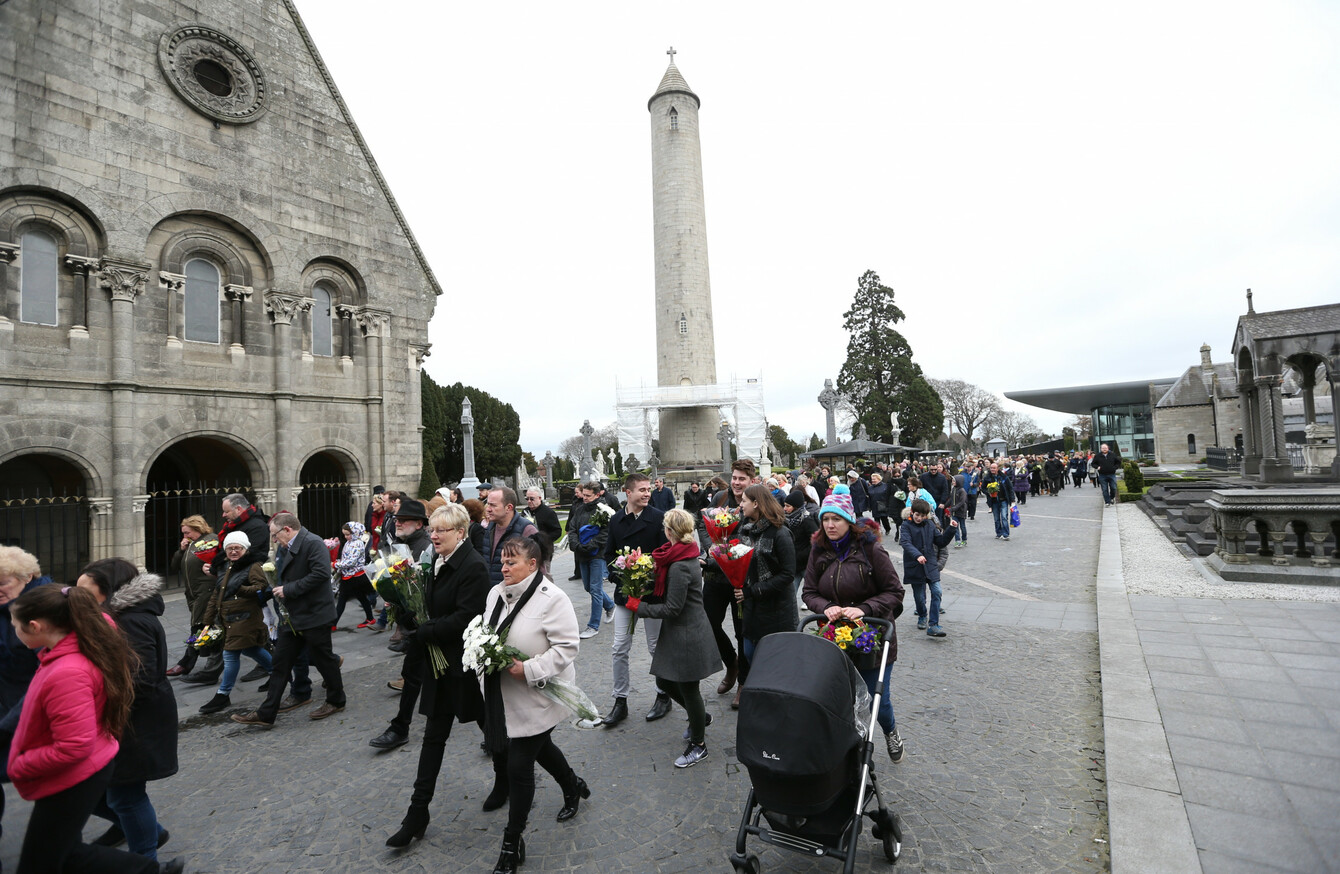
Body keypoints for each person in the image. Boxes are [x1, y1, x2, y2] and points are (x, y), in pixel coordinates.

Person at [8, 584, 186, 874]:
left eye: (14, 624)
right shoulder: (67, 651)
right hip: (80, 770)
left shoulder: (68, 670)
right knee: (61, 854)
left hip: (74, 774)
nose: (12, 629)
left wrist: (19, 764)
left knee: (45, 860)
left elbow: (74, 744)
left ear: (35, 626)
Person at [385, 504, 491, 848]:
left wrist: (426, 631)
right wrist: (404, 602)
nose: (433, 536)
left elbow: (467, 617)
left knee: (492, 728)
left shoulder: (472, 565)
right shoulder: (437, 560)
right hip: (439, 666)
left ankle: (514, 779)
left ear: (460, 532)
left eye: (440, 531)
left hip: (462, 667)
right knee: (433, 737)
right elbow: (428, 605)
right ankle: (417, 813)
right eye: (431, 530)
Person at [481, 537, 587, 874]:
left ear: (533, 564)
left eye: (512, 562)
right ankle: (573, 786)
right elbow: (485, 633)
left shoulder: (552, 598)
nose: (504, 567)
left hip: (541, 694)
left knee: (518, 764)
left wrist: (528, 669)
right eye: (502, 561)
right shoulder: (496, 593)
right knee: (541, 749)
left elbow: (567, 647)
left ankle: (512, 843)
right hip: (506, 697)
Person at [73, 558, 178, 861]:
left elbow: (141, 677)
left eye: (85, 591)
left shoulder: (130, 620)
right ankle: (142, 831)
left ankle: (145, 860)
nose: (78, 598)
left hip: (137, 721)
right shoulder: (112, 615)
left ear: (107, 590)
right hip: (122, 718)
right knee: (100, 792)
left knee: (125, 795)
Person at [801, 485, 907, 763]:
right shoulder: (818, 550)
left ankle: (890, 730)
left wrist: (863, 608)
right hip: (835, 635)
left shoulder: (871, 549)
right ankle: (854, 749)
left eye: (836, 519)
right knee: (842, 697)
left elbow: (895, 592)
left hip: (872, 635)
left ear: (849, 520)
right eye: (825, 519)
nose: (830, 524)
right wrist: (827, 607)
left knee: (876, 701)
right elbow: (809, 592)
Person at [624, 509, 720, 768]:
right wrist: (639, 570)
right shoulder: (678, 554)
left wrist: (637, 607)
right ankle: (699, 716)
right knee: (665, 680)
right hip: (681, 631)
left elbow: (672, 608)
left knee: (689, 688)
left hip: (688, 633)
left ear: (669, 531)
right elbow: (661, 575)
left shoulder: (680, 565)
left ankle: (699, 745)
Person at [232, 511, 346, 727]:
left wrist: (289, 589)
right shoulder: (284, 547)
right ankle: (266, 713)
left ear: (287, 529)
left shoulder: (312, 543)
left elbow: (321, 574)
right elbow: (281, 576)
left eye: (275, 535)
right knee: (280, 663)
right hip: (292, 617)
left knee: (324, 660)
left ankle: (336, 700)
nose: (273, 540)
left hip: (314, 614)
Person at [600, 473, 669, 726]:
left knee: (655, 648)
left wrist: (646, 576)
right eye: (641, 489)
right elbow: (609, 554)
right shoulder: (617, 520)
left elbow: (665, 555)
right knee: (619, 648)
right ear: (627, 493)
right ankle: (620, 701)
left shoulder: (659, 518)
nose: (647, 493)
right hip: (625, 596)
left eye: (648, 489)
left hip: (651, 596)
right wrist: (623, 576)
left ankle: (664, 695)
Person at [732, 484, 797, 710]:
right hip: (752, 607)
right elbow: (736, 559)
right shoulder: (746, 530)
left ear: (757, 504)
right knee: (750, 653)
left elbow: (788, 574)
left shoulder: (780, 532)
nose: (741, 505)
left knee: (774, 659)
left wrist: (753, 590)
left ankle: (778, 702)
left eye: (744, 501)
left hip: (776, 609)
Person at [196, 533, 273, 714]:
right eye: (230, 548)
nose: (233, 551)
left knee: (230, 655)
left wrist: (241, 589)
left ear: (245, 549)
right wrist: (207, 620)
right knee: (250, 649)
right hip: (229, 618)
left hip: (245, 618)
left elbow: (261, 588)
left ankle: (223, 694)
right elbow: (217, 594)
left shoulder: (252, 566)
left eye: (238, 548)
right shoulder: (225, 565)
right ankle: (277, 672)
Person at [699, 459, 752, 700]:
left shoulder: (755, 500)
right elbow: (703, 524)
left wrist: (733, 551)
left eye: (742, 478)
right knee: (709, 623)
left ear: (751, 481)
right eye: (735, 477)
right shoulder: (720, 497)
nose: (737, 482)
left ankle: (743, 682)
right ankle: (732, 663)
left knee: (743, 630)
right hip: (714, 575)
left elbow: (755, 532)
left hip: (741, 577)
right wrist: (712, 548)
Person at [165, 515, 215, 678]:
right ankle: (206, 657)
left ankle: (186, 663)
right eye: (184, 533)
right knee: (206, 626)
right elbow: (174, 567)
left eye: (187, 532)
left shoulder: (210, 541)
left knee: (198, 626)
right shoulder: (190, 544)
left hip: (205, 590)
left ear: (197, 528)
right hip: (192, 593)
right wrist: (181, 550)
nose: (185, 536)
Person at [901, 499, 958, 638]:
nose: (919, 518)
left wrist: (951, 529)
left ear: (927, 515)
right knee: (920, 597)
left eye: (922, 516)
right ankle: (922, 615)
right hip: (915, 565)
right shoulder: (906, 526)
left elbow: (941, 542)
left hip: (930, 564)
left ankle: (933, 625)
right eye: (917, 515)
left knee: (937, 591)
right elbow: (905, 543)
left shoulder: (930, 525)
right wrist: (917, 555)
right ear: (912, 512)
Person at [568, 483, 614, 641]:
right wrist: (575, 544)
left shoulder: (604, 510)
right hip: (582, 553)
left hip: (597, 555)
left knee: (595, 588)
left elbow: (606, 532)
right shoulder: (580, 509)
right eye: (584, 495)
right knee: (588, 587)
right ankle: (609, 605)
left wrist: (591, 545)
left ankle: (593, 626)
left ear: (597, 495)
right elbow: (572, 528)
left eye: (588, 495)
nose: (584, 498)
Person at [333, 522, 378, 629]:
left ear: (355, 533)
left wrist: (336, 564)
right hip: (349, 575)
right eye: (344, 534)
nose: (346, 537)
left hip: (355, 576)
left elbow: (351, 561)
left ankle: (333, 624)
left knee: (344, 600)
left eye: (348, 534)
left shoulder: (357, 543)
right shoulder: (349, 543)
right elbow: (346, 558)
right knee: (359, 597)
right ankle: (370, 618)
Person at [782, 491, 818, 590]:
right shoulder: (786, 520)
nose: (785, 509)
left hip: (806, 563)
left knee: (811, 590)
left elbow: (816, 541)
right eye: (784, 505)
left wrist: (801, 555)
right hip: (793, 564)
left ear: (796, 507)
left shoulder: (807, 520)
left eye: (787, 506)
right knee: (791, 592)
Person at [982, 461, 1017, 541]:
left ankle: (1006, 534)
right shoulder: (987, 478)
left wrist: (1012, 500)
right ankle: (998, 533)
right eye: (991, 468)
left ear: (997, 469)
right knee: (996, 519)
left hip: (1003, 500)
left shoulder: (1004, 477)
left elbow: (1010, 488)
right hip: (994, 501)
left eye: (994, 468)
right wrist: (988, 492)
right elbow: (983, 488)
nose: (992, 469)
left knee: (1004, 517)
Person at [950, 474, 969, 548]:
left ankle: (964, 539)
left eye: (954, 480)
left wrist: (954, 508)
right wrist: (945, 505)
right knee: (955, 526)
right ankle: (957, 540)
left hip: (961, 511)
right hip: (954, 512)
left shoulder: (962, 491)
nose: (953, 482)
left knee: (962, 527)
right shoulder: (953, 489)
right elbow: (951, 499)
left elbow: (962, 502)